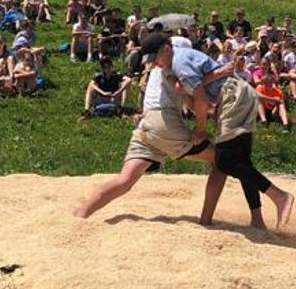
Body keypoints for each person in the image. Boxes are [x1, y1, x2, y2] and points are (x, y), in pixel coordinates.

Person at [149, 34, 294, 229]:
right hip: (238, 95)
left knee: (225, 161)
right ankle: (257, 219)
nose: (154, 64)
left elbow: (200, 99)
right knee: (241, 162)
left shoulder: (179, 62)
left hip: (232, 97)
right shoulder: (177, 61)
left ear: (165, 50)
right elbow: (193, 97)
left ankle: (280, 197)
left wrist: (199, 130)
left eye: (155, 58)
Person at [72, 53, 222, 222]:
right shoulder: (173, 68)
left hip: (145, 126)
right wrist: (220, 73)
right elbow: (187, 93)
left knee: (124, 181)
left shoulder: (155, 71)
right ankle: (207, 219)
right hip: (165, 125)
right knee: (221, 160)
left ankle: (81, 214)